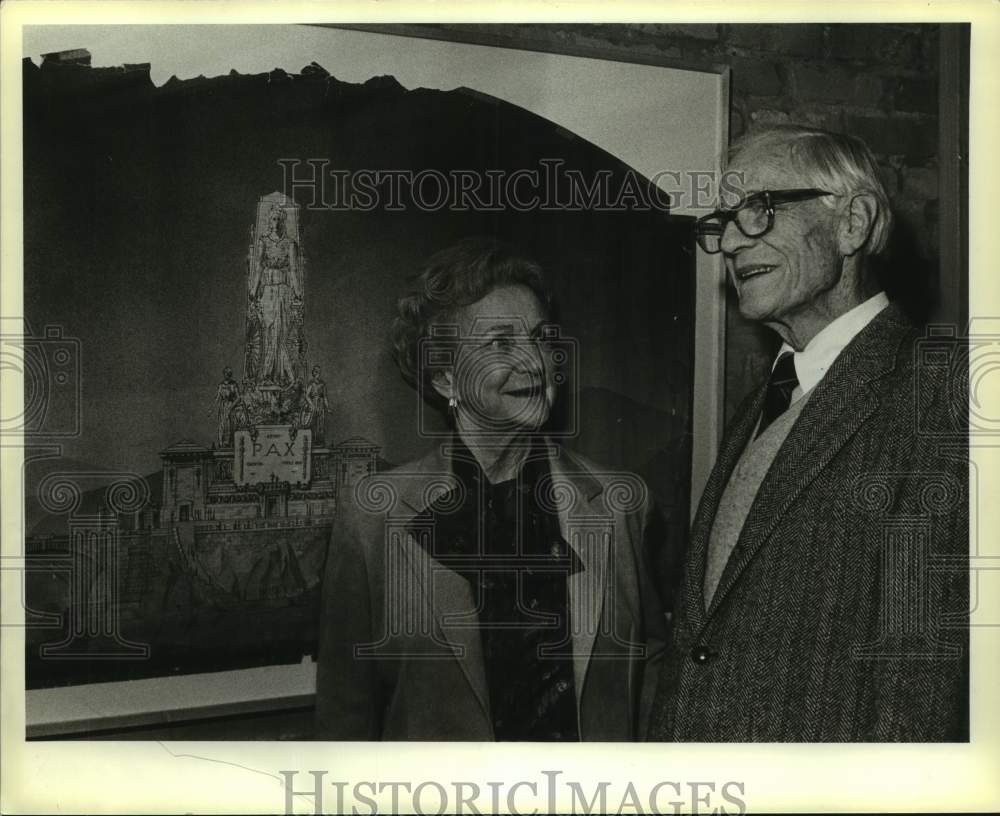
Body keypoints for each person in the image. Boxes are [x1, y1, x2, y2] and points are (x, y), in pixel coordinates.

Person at [647, 125, 968, 741]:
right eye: (724, 221)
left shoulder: (941, 403)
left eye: (758, 211)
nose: (732, 243)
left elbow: (921, 687)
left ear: (852, 223)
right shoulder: (763, 402)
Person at [315, 237, 668, 740]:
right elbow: (345, 715)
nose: (537, 362)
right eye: (501, 343)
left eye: (542, 338)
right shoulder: (374, 518)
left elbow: (651, 672)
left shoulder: (619, 504)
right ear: (445, 379)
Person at [247, 203, 302, 386]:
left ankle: (279, 375)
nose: (276, 222)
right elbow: (259, 267)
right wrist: (254, 290)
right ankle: (269, 374)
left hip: (284, 292)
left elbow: (294, 270)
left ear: (283, 221)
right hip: (268, 292)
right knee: (269, 332)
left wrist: (297, 292)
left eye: (279, 219)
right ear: (269, 221)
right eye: (273, 219)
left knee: (281, 333)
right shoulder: (264, 241)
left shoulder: (290, 244)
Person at [208, 366, 240, 448]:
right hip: (223, 408)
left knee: (231, 425)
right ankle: (222, 444)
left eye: (229, 374)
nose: (228, 375)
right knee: (222, 425)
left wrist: (232, 406)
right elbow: (217, 398)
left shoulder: (234, 384)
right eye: (226, 374)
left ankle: (230, 443)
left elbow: (238, 397)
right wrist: (211, 409)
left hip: (231, 407)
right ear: (224, 374)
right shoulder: (221, 385)